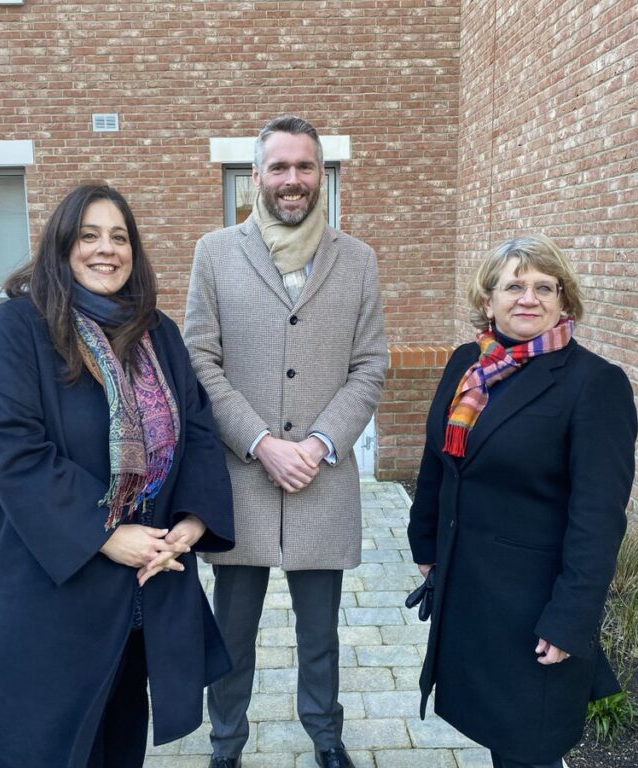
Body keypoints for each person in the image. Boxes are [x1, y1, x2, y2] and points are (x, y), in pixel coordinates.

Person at [0, 183, 235, 768]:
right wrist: (105, 534)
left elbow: (198, 427)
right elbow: (14, 449)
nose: (105, 249)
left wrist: (190, 520)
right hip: (56, 592)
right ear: (62, 246)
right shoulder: (19, 329)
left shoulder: (156, 332)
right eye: (88, 236)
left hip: (141, 591)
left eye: (119, 237)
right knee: (49, 746)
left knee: (119, 743)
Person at [184, 115, 387, 768]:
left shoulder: (358, 261)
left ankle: (326, 737)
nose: (293, 180)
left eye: (305, 167)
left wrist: (322, 441)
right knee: (233, 634)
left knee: (320, 635)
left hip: (320, 480)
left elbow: (370, 364)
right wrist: (260, 441)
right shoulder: (215, 254)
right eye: (280, 167)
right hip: (241, 481)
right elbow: (199, 360)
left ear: (320, 174)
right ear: (256, 176)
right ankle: (226, 745)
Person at [406, 234, 638, 768]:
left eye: (543, 287)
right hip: (470, 590)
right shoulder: (469, 362)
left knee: (529, 745)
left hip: (534, 603)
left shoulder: (594, 384)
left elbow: (598, 518)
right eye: (514, 285)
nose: (528, 298)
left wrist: (571, 618)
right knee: (497, 732)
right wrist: (426, 540)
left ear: (563, 300)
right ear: (488, 301)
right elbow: (437, 455)